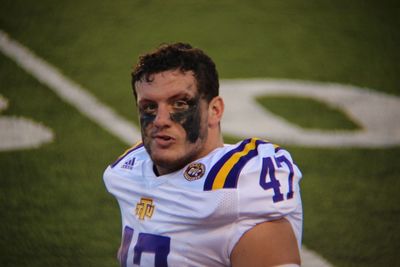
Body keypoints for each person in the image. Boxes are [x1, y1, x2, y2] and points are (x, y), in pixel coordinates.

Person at [103, 43, 303, 267]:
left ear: (214, 111)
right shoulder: (127, 172)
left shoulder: (237, 187)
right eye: (149, 107)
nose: (159, 120)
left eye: (179, 103)